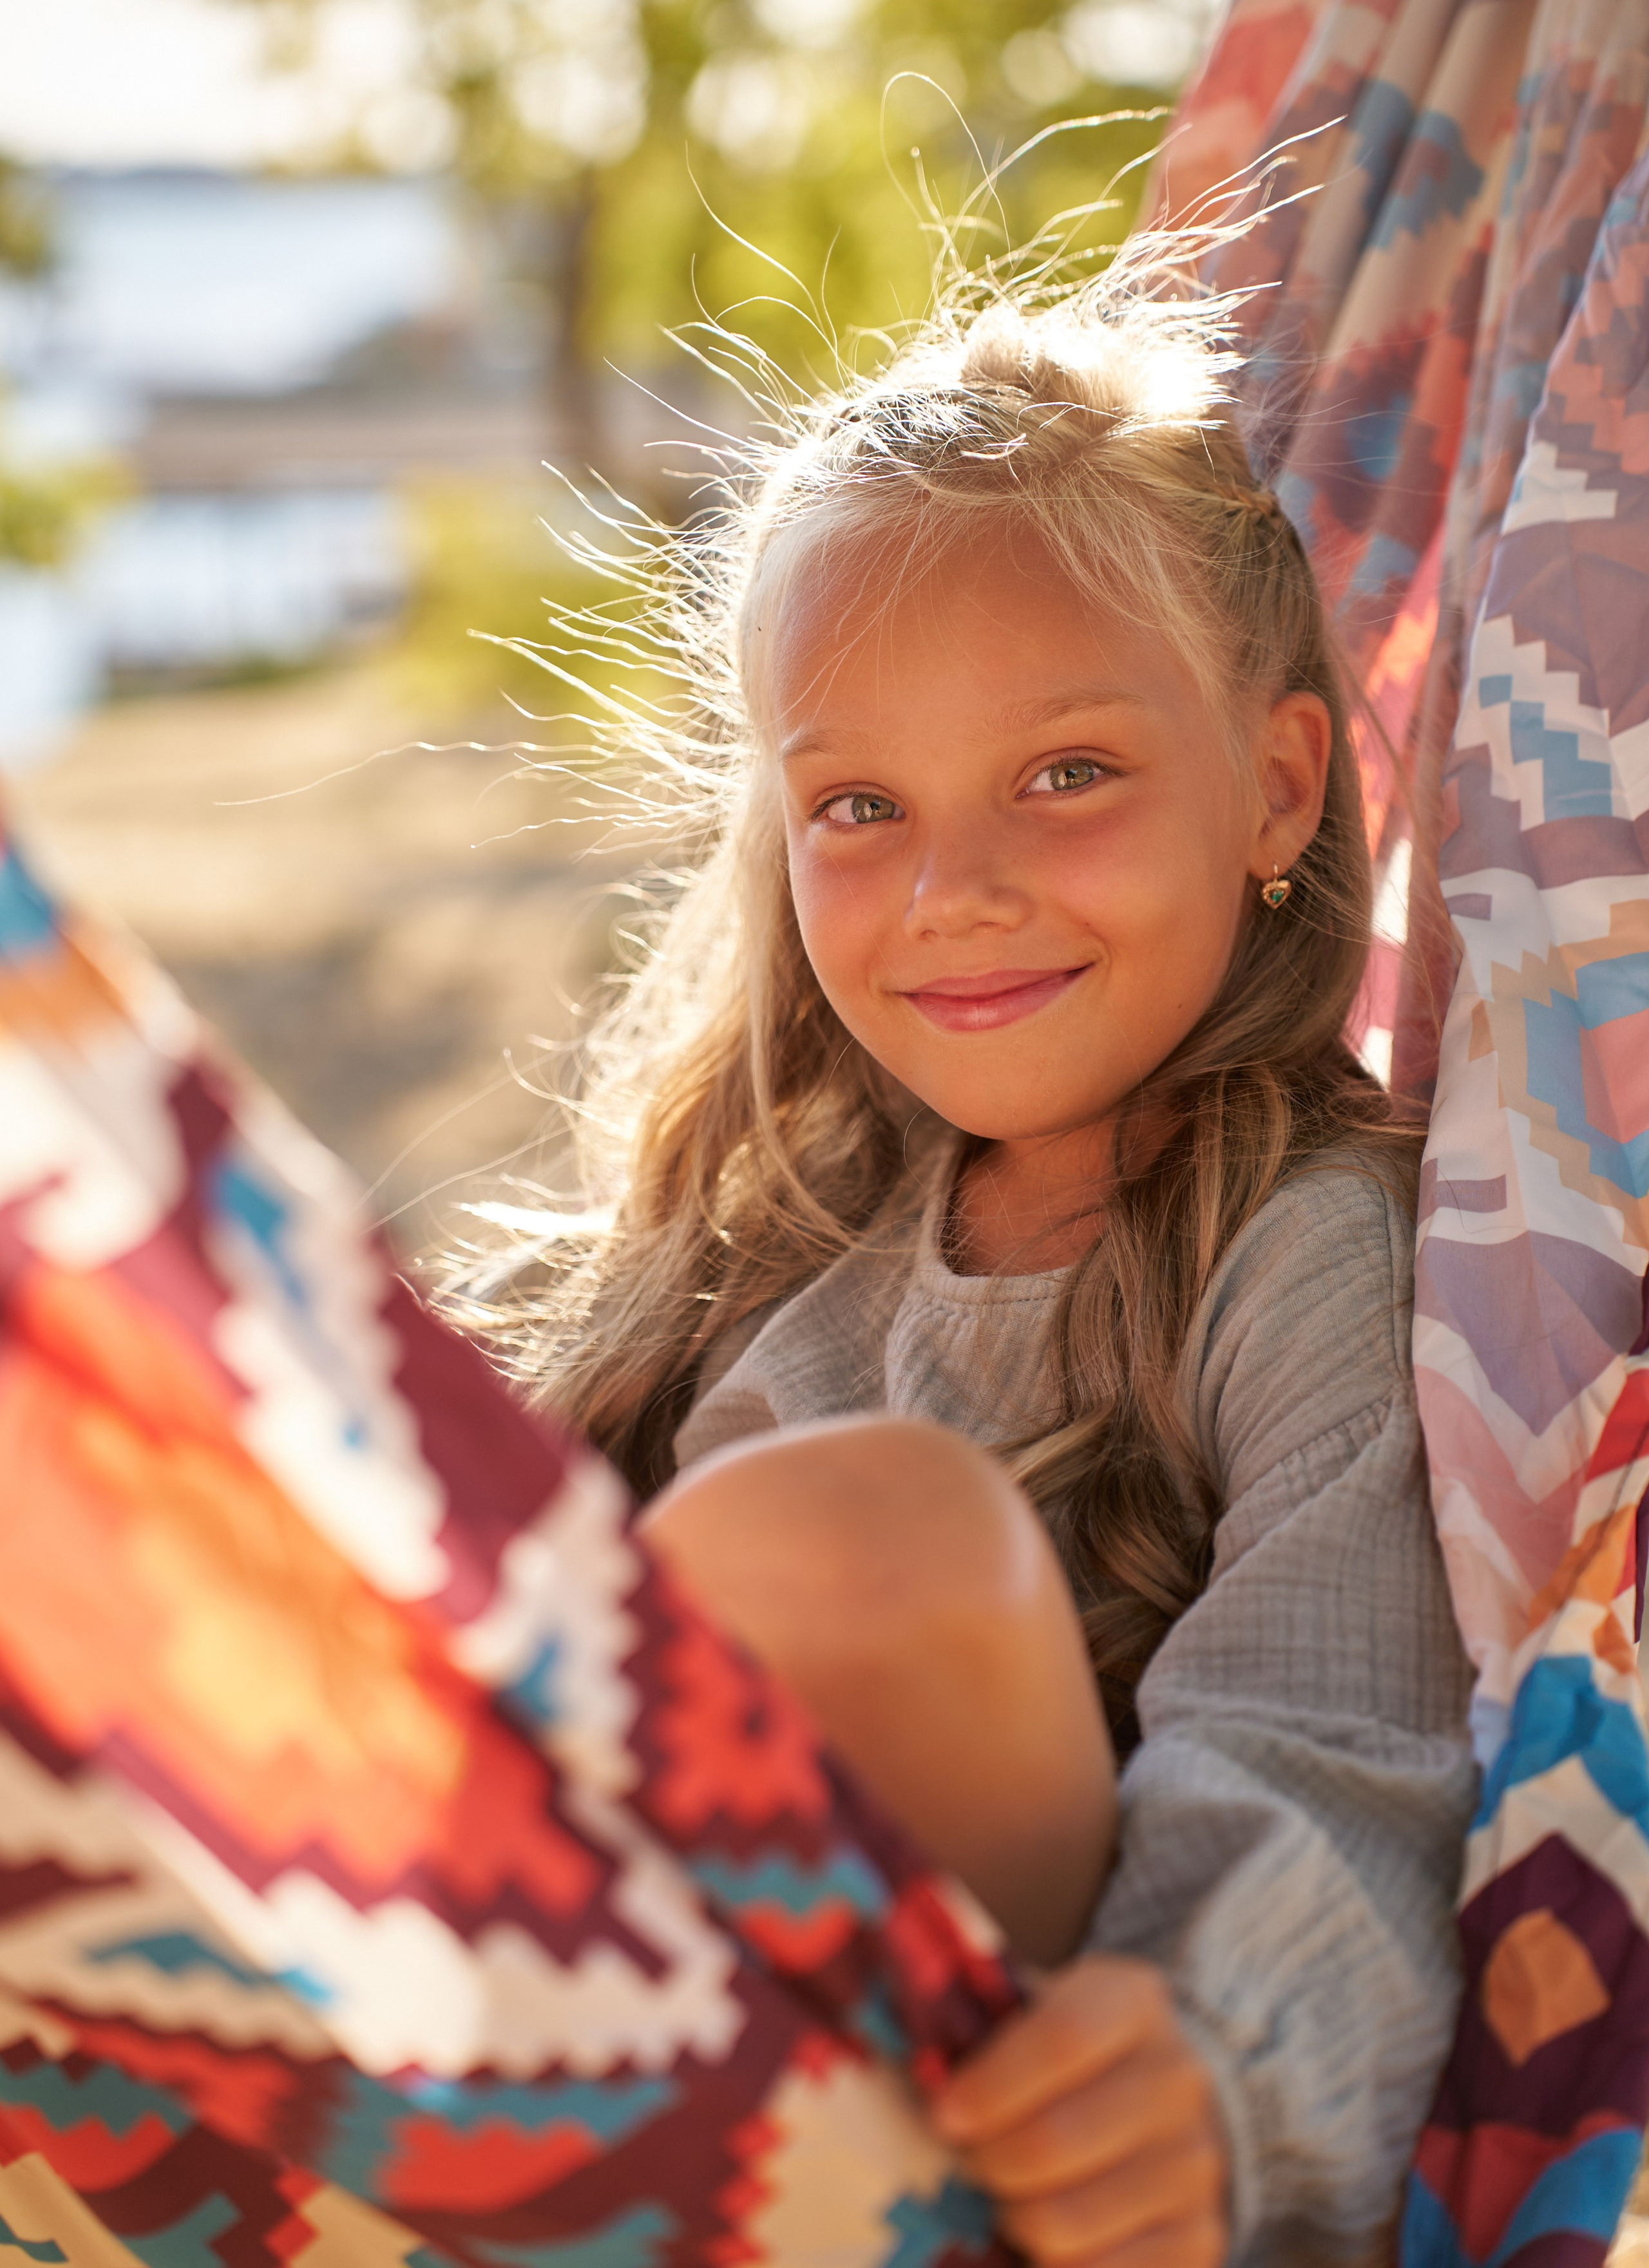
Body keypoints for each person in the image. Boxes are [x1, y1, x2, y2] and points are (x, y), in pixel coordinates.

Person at [473, 261, 1478, 2267]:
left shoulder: (1308, 1244)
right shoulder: (766, 1249)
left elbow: (1345, 1725)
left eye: (1069, 773)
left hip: (1034, 2161)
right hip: (599, 2102)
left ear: (1277, 783)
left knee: (860, 1548)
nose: (955, 891)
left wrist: (1212, 2049)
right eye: (861, 804)